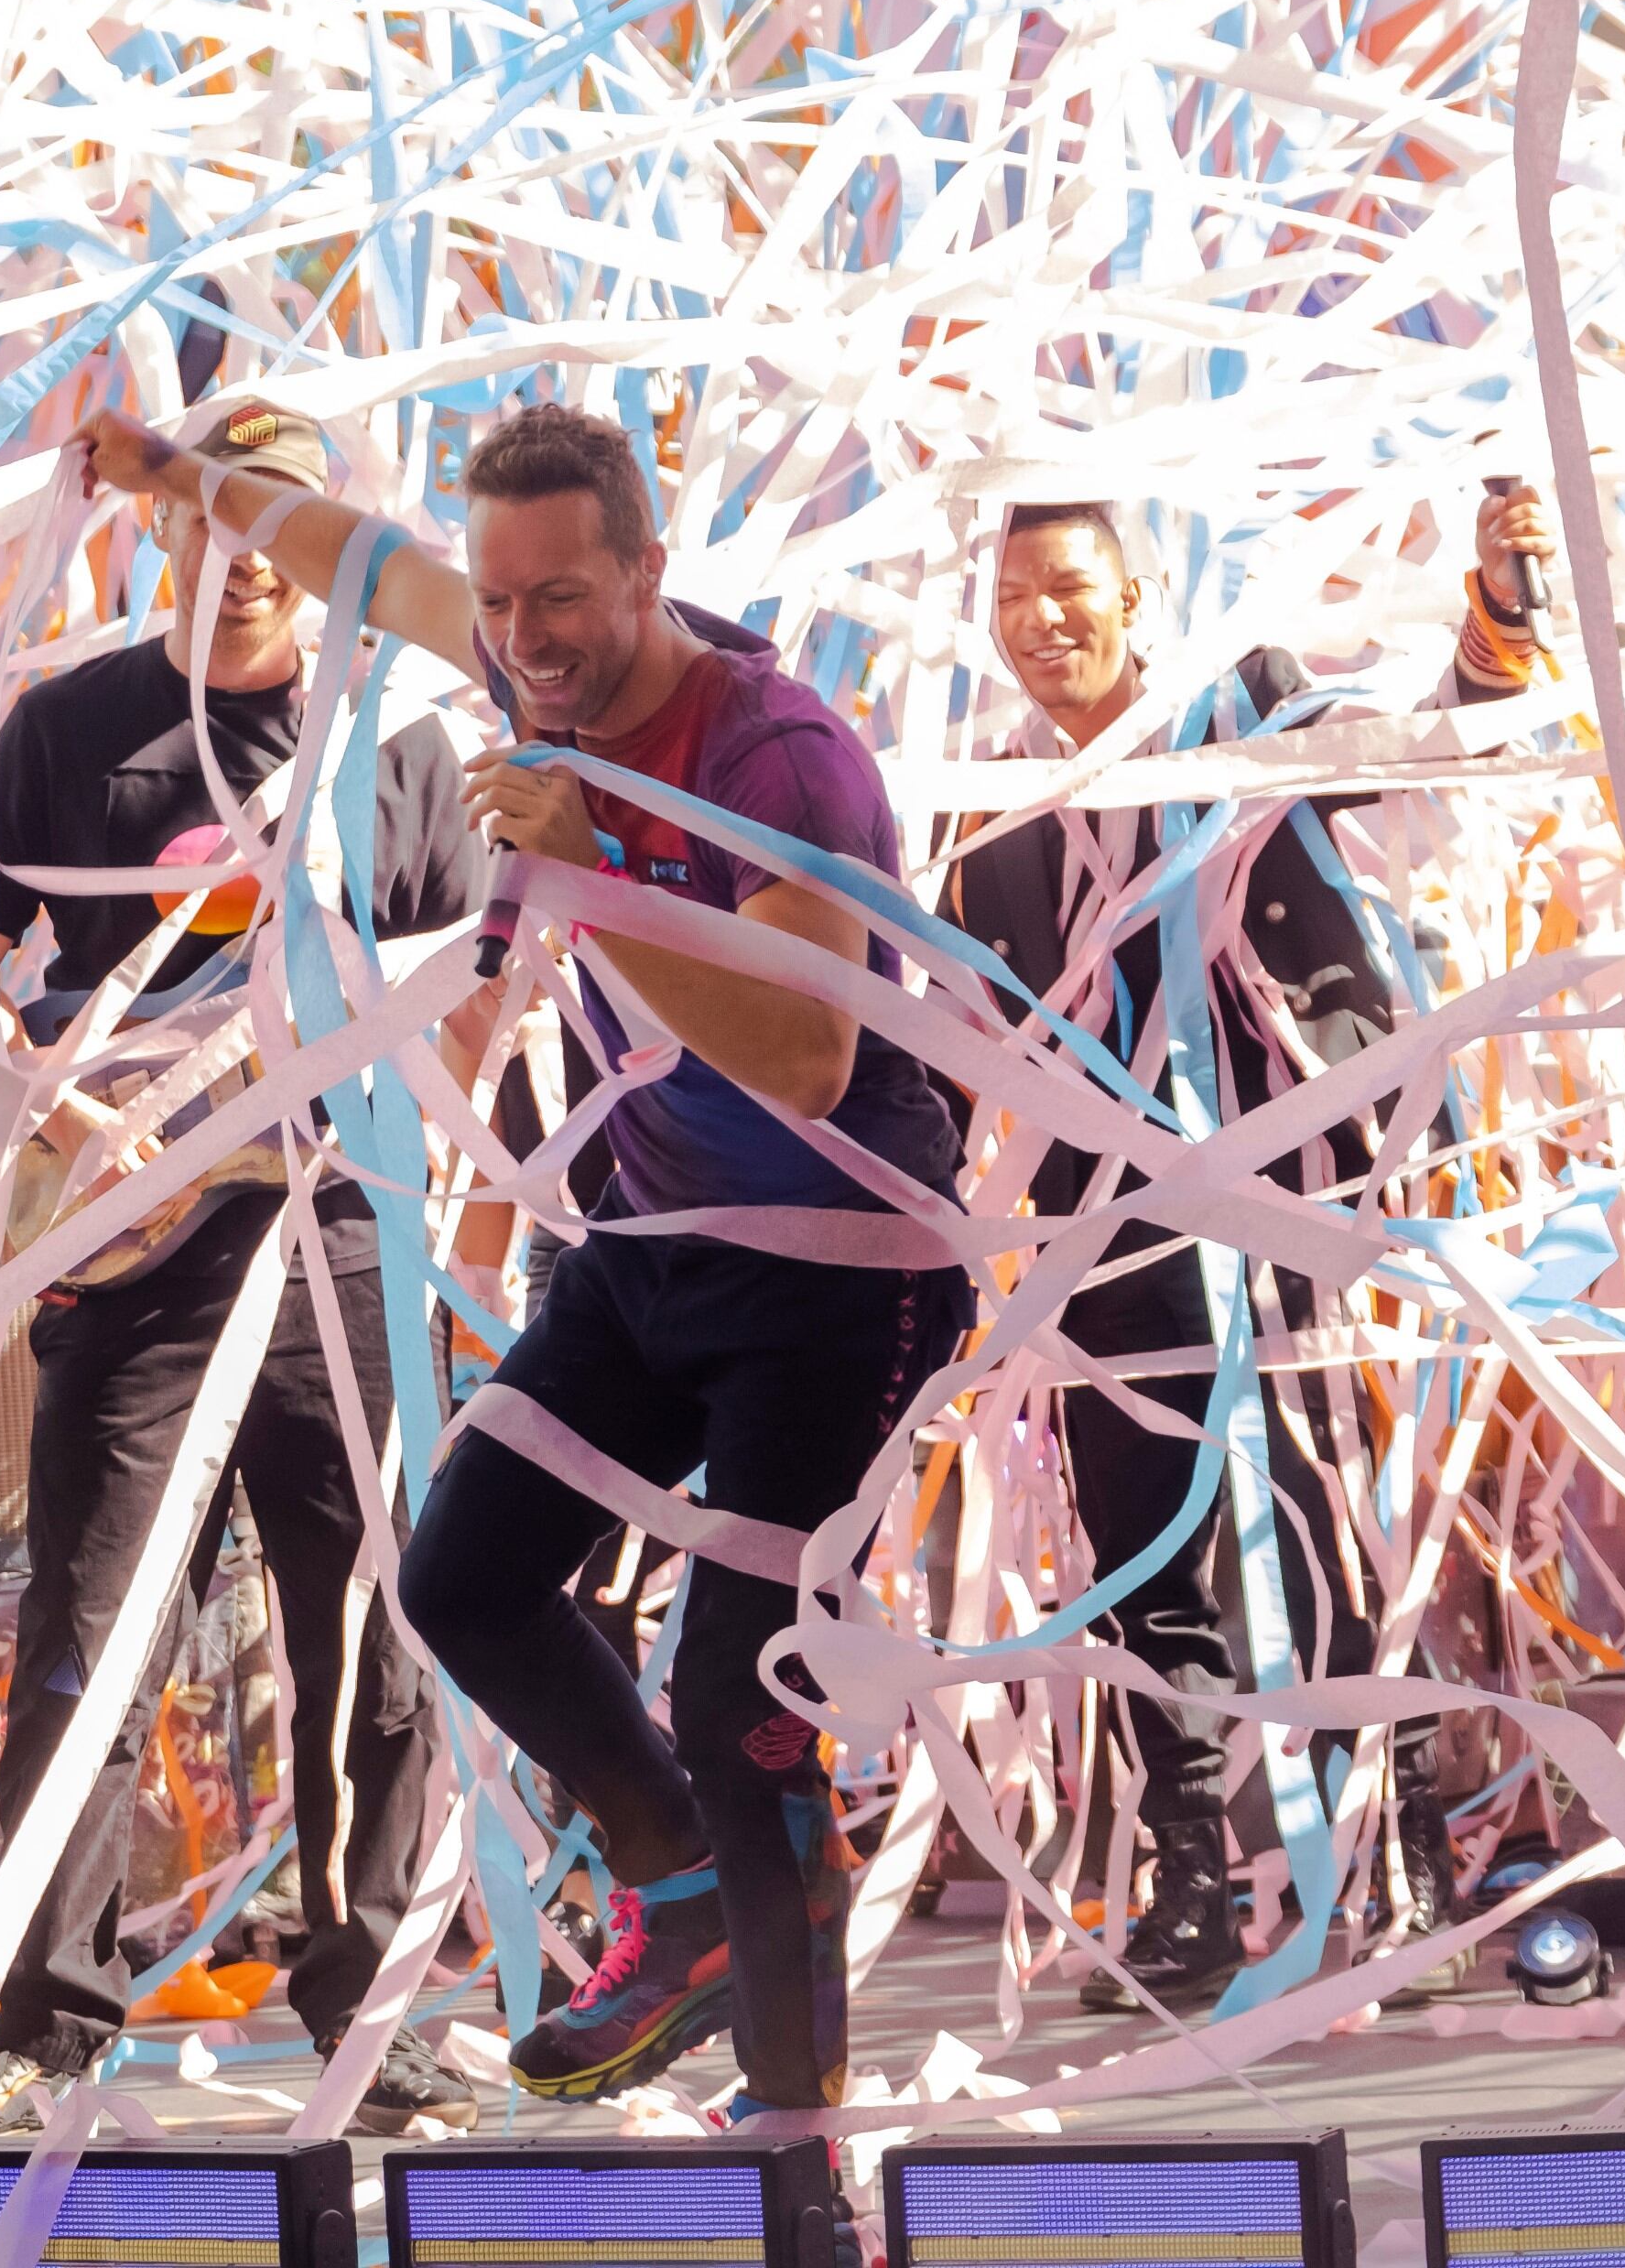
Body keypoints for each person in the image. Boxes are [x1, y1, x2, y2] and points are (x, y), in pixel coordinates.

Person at [82, 395, 970, 2119]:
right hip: (654, 1246)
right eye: (499, 603)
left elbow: (806, 1058)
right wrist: (176, 478)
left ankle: (803, 2129)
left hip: (839, 1262)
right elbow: (358, 562)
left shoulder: (779, 754)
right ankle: (690, 1893)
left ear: (646, 572)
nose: (518, 635)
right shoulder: (519, 670)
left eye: (558, 597)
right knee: (465, 1576)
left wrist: (606, 873)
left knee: (742, 1694)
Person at [0, 399, 488, 2137]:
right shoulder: (72, 726)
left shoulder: (394, 744)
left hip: (344, 1244)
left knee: (374, 1636)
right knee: (92, 1632)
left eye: (280, 532)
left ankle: (369, 2006)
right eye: (214, 527)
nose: (244, 568)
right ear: (168, 533)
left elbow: (471, 985)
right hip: (137, 1249)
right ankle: (50, 2012)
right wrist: (43, 1107)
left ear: (321, 553)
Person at [940, 487, 1553, 2010]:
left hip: (1305, 1209)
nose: (1044, 620)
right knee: (1146, 1564)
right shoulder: (988, 817)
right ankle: (1192, 1892)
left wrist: (1501, 615)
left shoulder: (1241, 707)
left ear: (1137, 595)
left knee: (1338, 1531)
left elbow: (1423, 744)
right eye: (1015, 597)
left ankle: (1401, 1870)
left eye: (1071, 587)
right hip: (1104, 1240)